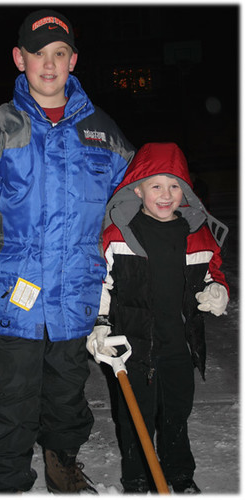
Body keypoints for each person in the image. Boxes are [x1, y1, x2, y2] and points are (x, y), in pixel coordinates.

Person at [0, 8, 136, 494]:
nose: (50, 64)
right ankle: (6, 480)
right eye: (39, 53)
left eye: (60, 53)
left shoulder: (103, 132)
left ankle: (62, 462)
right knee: (12, 396)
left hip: (77, 294)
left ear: (73, 60)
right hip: (15, 291)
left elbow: (127, 205)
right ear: (20, 59)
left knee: (66, 393)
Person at [87, 142, 229, 494]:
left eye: (175, 186)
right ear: (137, 189)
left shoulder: (197, 233)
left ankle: (179, 473)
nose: (166, 195)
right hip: (133, 345)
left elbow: (212, 271)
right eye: (156, 186)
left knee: (177, 412)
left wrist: (217, 291)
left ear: (186, 191)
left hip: (180, 343)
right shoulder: (118, 234)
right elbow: (99, 282)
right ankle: (136, 477)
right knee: (135, 415)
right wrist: (100, 324)